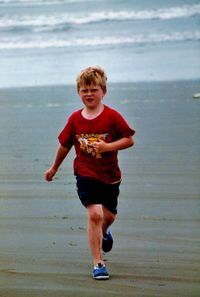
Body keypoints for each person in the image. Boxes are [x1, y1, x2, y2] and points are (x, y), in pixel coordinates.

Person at [45, 66, 135, 280]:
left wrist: (107, 147)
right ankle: (98, 262)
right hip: (85, 173)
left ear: (103, 91)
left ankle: (105, 232)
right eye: (84, 90)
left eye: (93, 89)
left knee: (108, 216)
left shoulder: (112, 116)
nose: (89, 94)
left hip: (110, 175)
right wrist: (54, 167)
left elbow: (129, 140)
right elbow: (65, 146)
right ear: (78, 92)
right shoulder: (75, 119)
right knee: (95, 214)